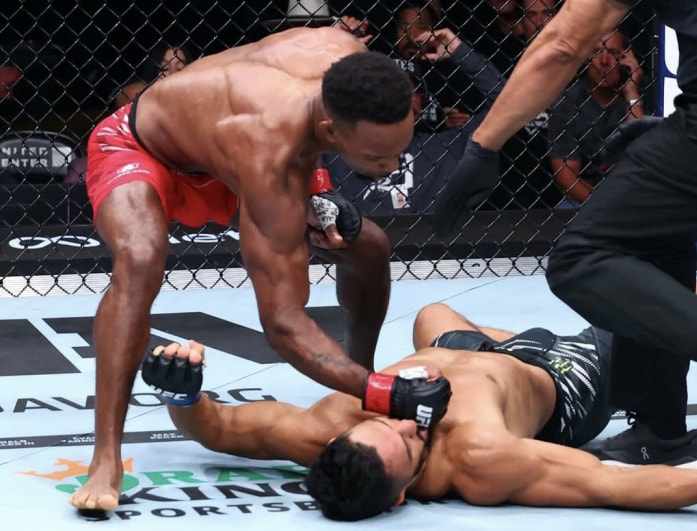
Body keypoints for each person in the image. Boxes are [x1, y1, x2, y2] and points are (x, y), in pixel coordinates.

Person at [70, 27, 452, 512]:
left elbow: (303, 129)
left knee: (369, 246)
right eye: (377, 157)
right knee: (141, 256)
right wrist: (389, 394)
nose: (392, 166)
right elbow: (284, 324)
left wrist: (318, 189)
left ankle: (358, 388)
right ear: (332, 131)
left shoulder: (346, 59)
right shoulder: (268, 153)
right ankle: (105, 456)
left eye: (399, 147)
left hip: (234, 145)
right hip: (144, 149)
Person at [430, 0, 697, 497]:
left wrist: (483, 144)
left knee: (580, 259)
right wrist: (680, 127)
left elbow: (563, 43)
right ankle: (661, 429)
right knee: (651, 236)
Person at [147, 280, 697, 521]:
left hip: (469, 348)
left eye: (384, 423)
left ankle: (494, 343)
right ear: (402, 495)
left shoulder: (335, 425)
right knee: (678, 296)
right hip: (562, 376)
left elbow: (221, 428)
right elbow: (608, 483)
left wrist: (180, 390)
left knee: (432, 312)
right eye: (408, 444)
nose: (405, 423)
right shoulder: (479, 459)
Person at [326, 27, 504, 214]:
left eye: (408, 90)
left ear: (422, 101)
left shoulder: (445, 148)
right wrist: (329, 53)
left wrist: (460, 51)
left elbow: (506, 105)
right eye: (386, 89)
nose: (398, 98)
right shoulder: (336, 151)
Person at [548, 29, 644, 206]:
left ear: (626, 58)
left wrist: (632, 93)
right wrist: (605, 206)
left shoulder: (638, 95)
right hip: (586, 197)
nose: (604, 61)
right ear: (586, 57)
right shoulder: (567, 104)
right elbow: (566, 178)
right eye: (596, 51)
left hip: (634, 192)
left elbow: (643, 156)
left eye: (613, 53)